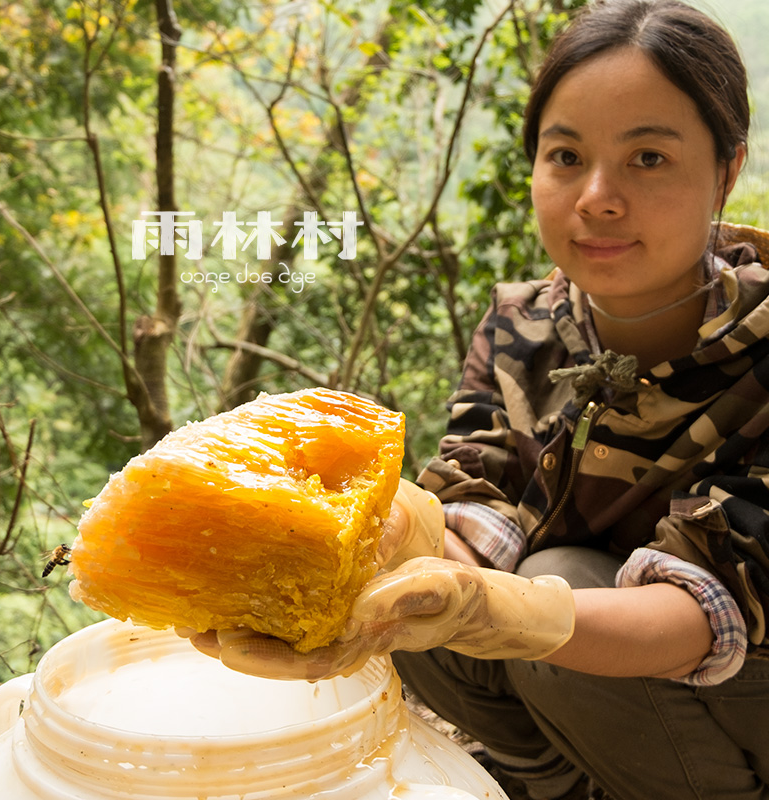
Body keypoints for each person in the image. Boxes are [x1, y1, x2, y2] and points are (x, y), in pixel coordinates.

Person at [187, 1, 769, 797]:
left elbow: (709, 607)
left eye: (648, 160)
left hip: (739, 699)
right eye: (566, 155)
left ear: (727, 171)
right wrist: (389, 563)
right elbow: (478, 501)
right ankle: (551, 782)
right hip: (589, 691)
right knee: (408, 565)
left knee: (553, 591)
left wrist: (508, 614)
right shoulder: (523, 324)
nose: (596, 197)